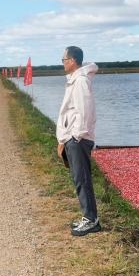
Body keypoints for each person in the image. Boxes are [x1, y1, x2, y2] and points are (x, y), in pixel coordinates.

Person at [56, 46, 101, 236]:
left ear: (73, 60)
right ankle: (88, 217)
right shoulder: (75, 79)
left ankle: (91, 220)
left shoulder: (81, 80)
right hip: (73, 138)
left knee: (82, 179)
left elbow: (84, 111)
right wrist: (63, 139)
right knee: (79, 178)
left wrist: (75, 137)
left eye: (64, 60)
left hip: (78, 139)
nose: (63, 63)